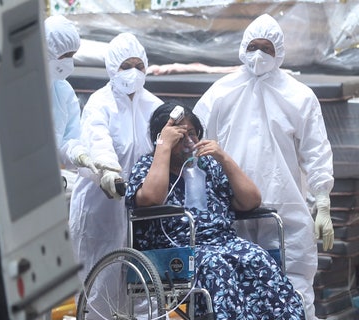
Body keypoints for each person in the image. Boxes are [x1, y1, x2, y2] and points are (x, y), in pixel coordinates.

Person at [192, 14, 334, 319]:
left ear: (279, 52)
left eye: (266, 48)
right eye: (253, 46)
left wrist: (322, 201)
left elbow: (316, 151)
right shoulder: (220, 92)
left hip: (286, 213)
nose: (259, 54)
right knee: (239, 297)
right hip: (234, 214)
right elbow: (196, 141)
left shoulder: (299, 96)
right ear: (243, 47)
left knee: (296, 293)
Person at [125, 102, 305, 319]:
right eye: (179, 136)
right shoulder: (147, 165)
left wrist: (224, 159)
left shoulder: (207, 167)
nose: (188, 142)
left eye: (192, 134)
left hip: (223, 242)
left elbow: (251, 201)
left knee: (257, 258)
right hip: (175, 248)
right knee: (216, 266)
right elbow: (151, 197)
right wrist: (163, 146)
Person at [68, 32, 163, 317]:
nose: (132, 72)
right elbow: (97, 141)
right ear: (112, 68)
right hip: (101, 208)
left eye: (138, 65)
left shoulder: (155, 106)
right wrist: (108, 171)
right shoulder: (100, 104)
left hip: (143, 208)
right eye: (125, 66)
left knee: (144, 286)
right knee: (99, 284)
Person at [44, 15, 97, 196]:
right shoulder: (20, 88)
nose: (69, 62)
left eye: (72, 55)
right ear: (46, 50)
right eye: (64, 56)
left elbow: (67, 139)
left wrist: (79, 154)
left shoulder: (63, 91)